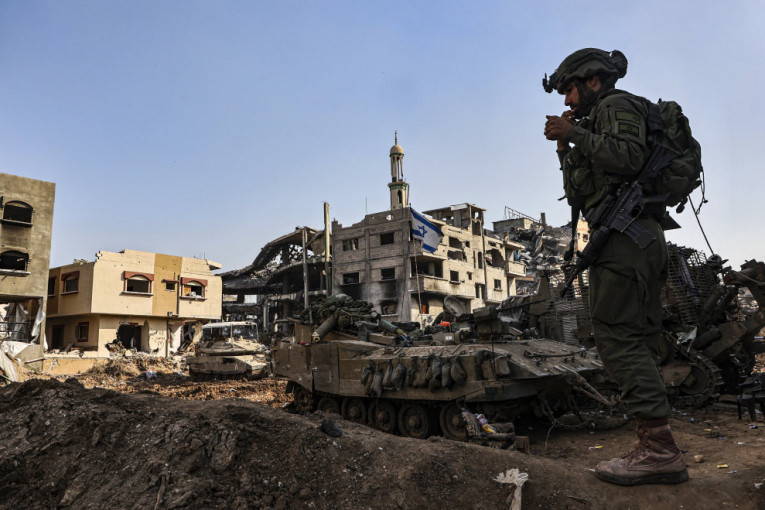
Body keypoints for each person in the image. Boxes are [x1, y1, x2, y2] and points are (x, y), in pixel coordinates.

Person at [542, 48, 689, 486]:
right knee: (636, 338)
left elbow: (625, 158)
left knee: (615, 335)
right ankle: (655, 442)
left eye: (570, 89)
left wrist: (575, 134)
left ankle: (659, 450)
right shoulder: (595, 120)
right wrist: (568, 143)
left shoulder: (616, 106)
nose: (567, 101)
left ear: (592, 80)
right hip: (627, 239)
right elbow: (582, 189)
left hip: (627, 240)